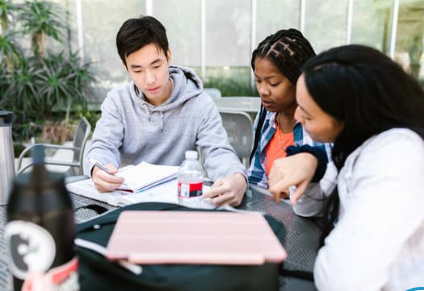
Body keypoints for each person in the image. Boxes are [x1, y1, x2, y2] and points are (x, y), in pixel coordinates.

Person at [268, 44, 424, 290]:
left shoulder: (397, 157)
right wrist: (314, 165)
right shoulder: (356, 145)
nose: (297, 117)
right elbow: (310, 209)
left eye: (307, 115)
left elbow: (343, 278)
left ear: (350, 117)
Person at [85, 16, 247, 206]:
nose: (150, 79)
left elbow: (218, 152)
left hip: (178, 203)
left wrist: (237, 178)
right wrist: (98, 169)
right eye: (137, 70)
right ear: (125, 67)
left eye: (156, 66)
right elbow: (102, 147)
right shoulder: (118, 101)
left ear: (168, 56)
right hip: (128, 204)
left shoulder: (199, 103)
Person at [247, 29, 331, 206]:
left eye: (273, 83)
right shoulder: (267, 115)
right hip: (272, 213)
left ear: (299, 80)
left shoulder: (321, 126)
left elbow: (324, 194)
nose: (263, 90)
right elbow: (256, 178)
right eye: (258, 80)